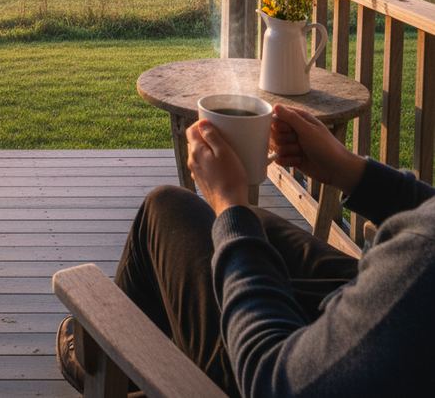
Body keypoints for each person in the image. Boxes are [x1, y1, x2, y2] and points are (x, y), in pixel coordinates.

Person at [57, 103, 435, 397]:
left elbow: (272, 380)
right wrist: (350, 170)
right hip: (382, 314)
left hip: (273, 370)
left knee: (167, 208)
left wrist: (228, 206)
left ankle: (103, 367)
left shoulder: (420, 266)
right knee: (252, 224)